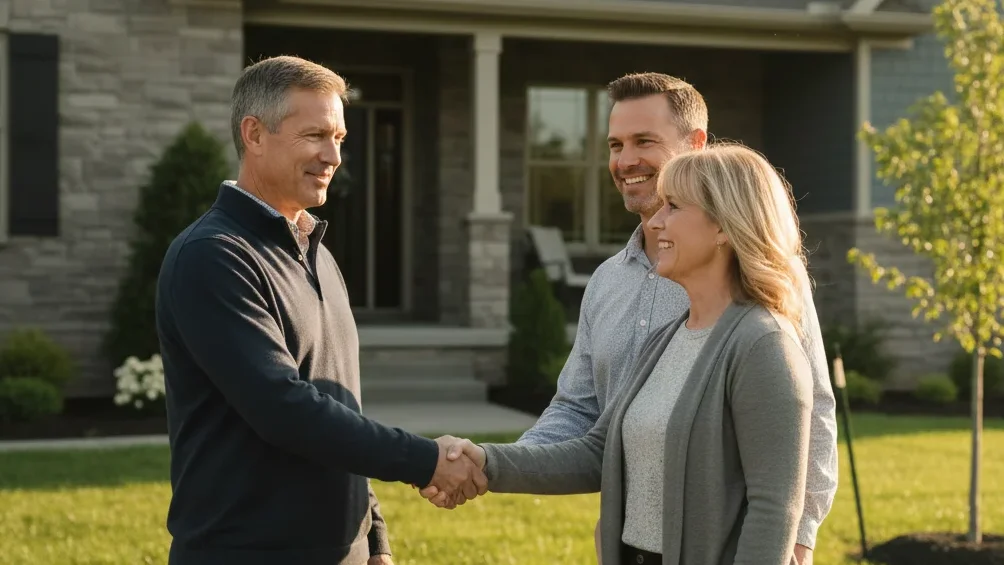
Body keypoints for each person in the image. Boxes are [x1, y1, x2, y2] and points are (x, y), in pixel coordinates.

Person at [424, 73, 837, 563]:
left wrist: (797, 538)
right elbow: (586, 421)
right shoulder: (625, 299)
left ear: (696, 145)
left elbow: (803, 424)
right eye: (616, 145)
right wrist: (487, 464)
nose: (626, 161)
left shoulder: (762, 326)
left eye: (645, 141)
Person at [154, 55, 485, 565]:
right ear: (254, 134)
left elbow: (337, 406)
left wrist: (373, 536)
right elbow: (283, 409)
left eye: (340, 138)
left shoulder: (317, 253)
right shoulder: (213, 256)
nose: (332, 155)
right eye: (315, 136)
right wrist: (425, 460)